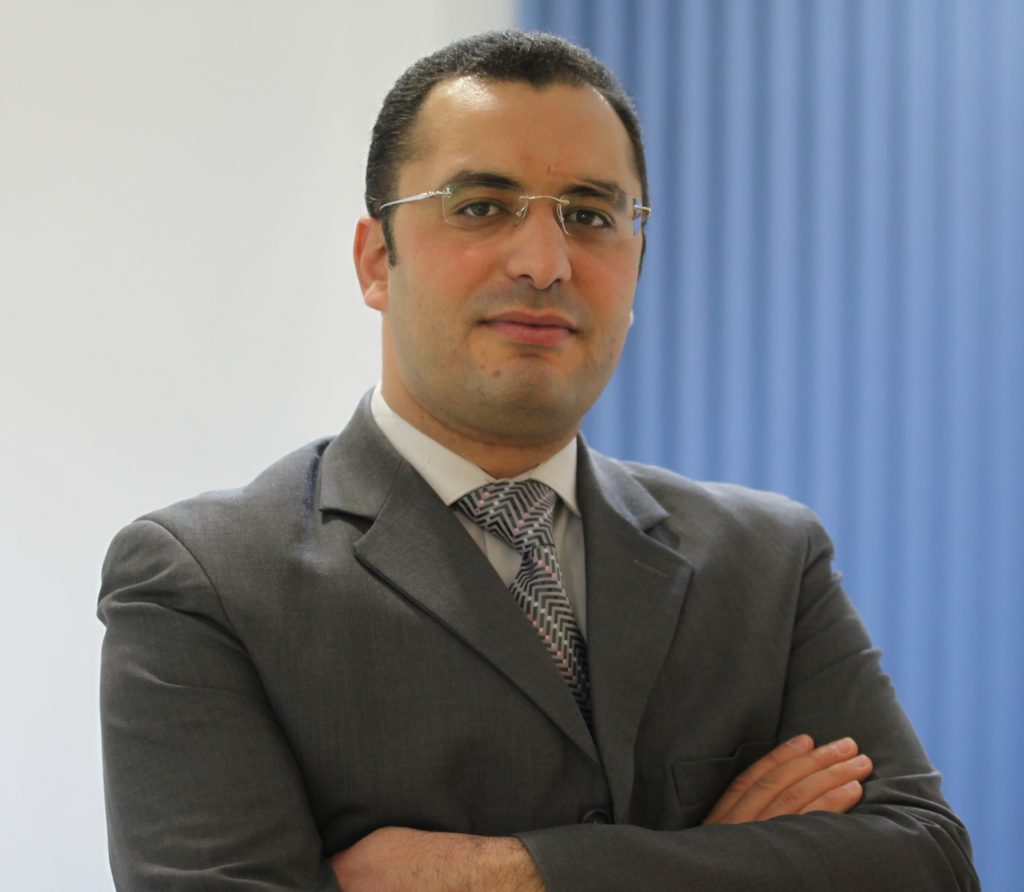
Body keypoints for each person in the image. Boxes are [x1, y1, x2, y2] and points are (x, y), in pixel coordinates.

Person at [98, 30, 978, 891]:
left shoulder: (768, 563)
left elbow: (929, 863)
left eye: (591, 216)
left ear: (638, 261)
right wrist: (730, 861)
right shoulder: (208, 584)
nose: (546, 262)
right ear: (376, 261)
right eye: (481, 206)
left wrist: (509, 874)